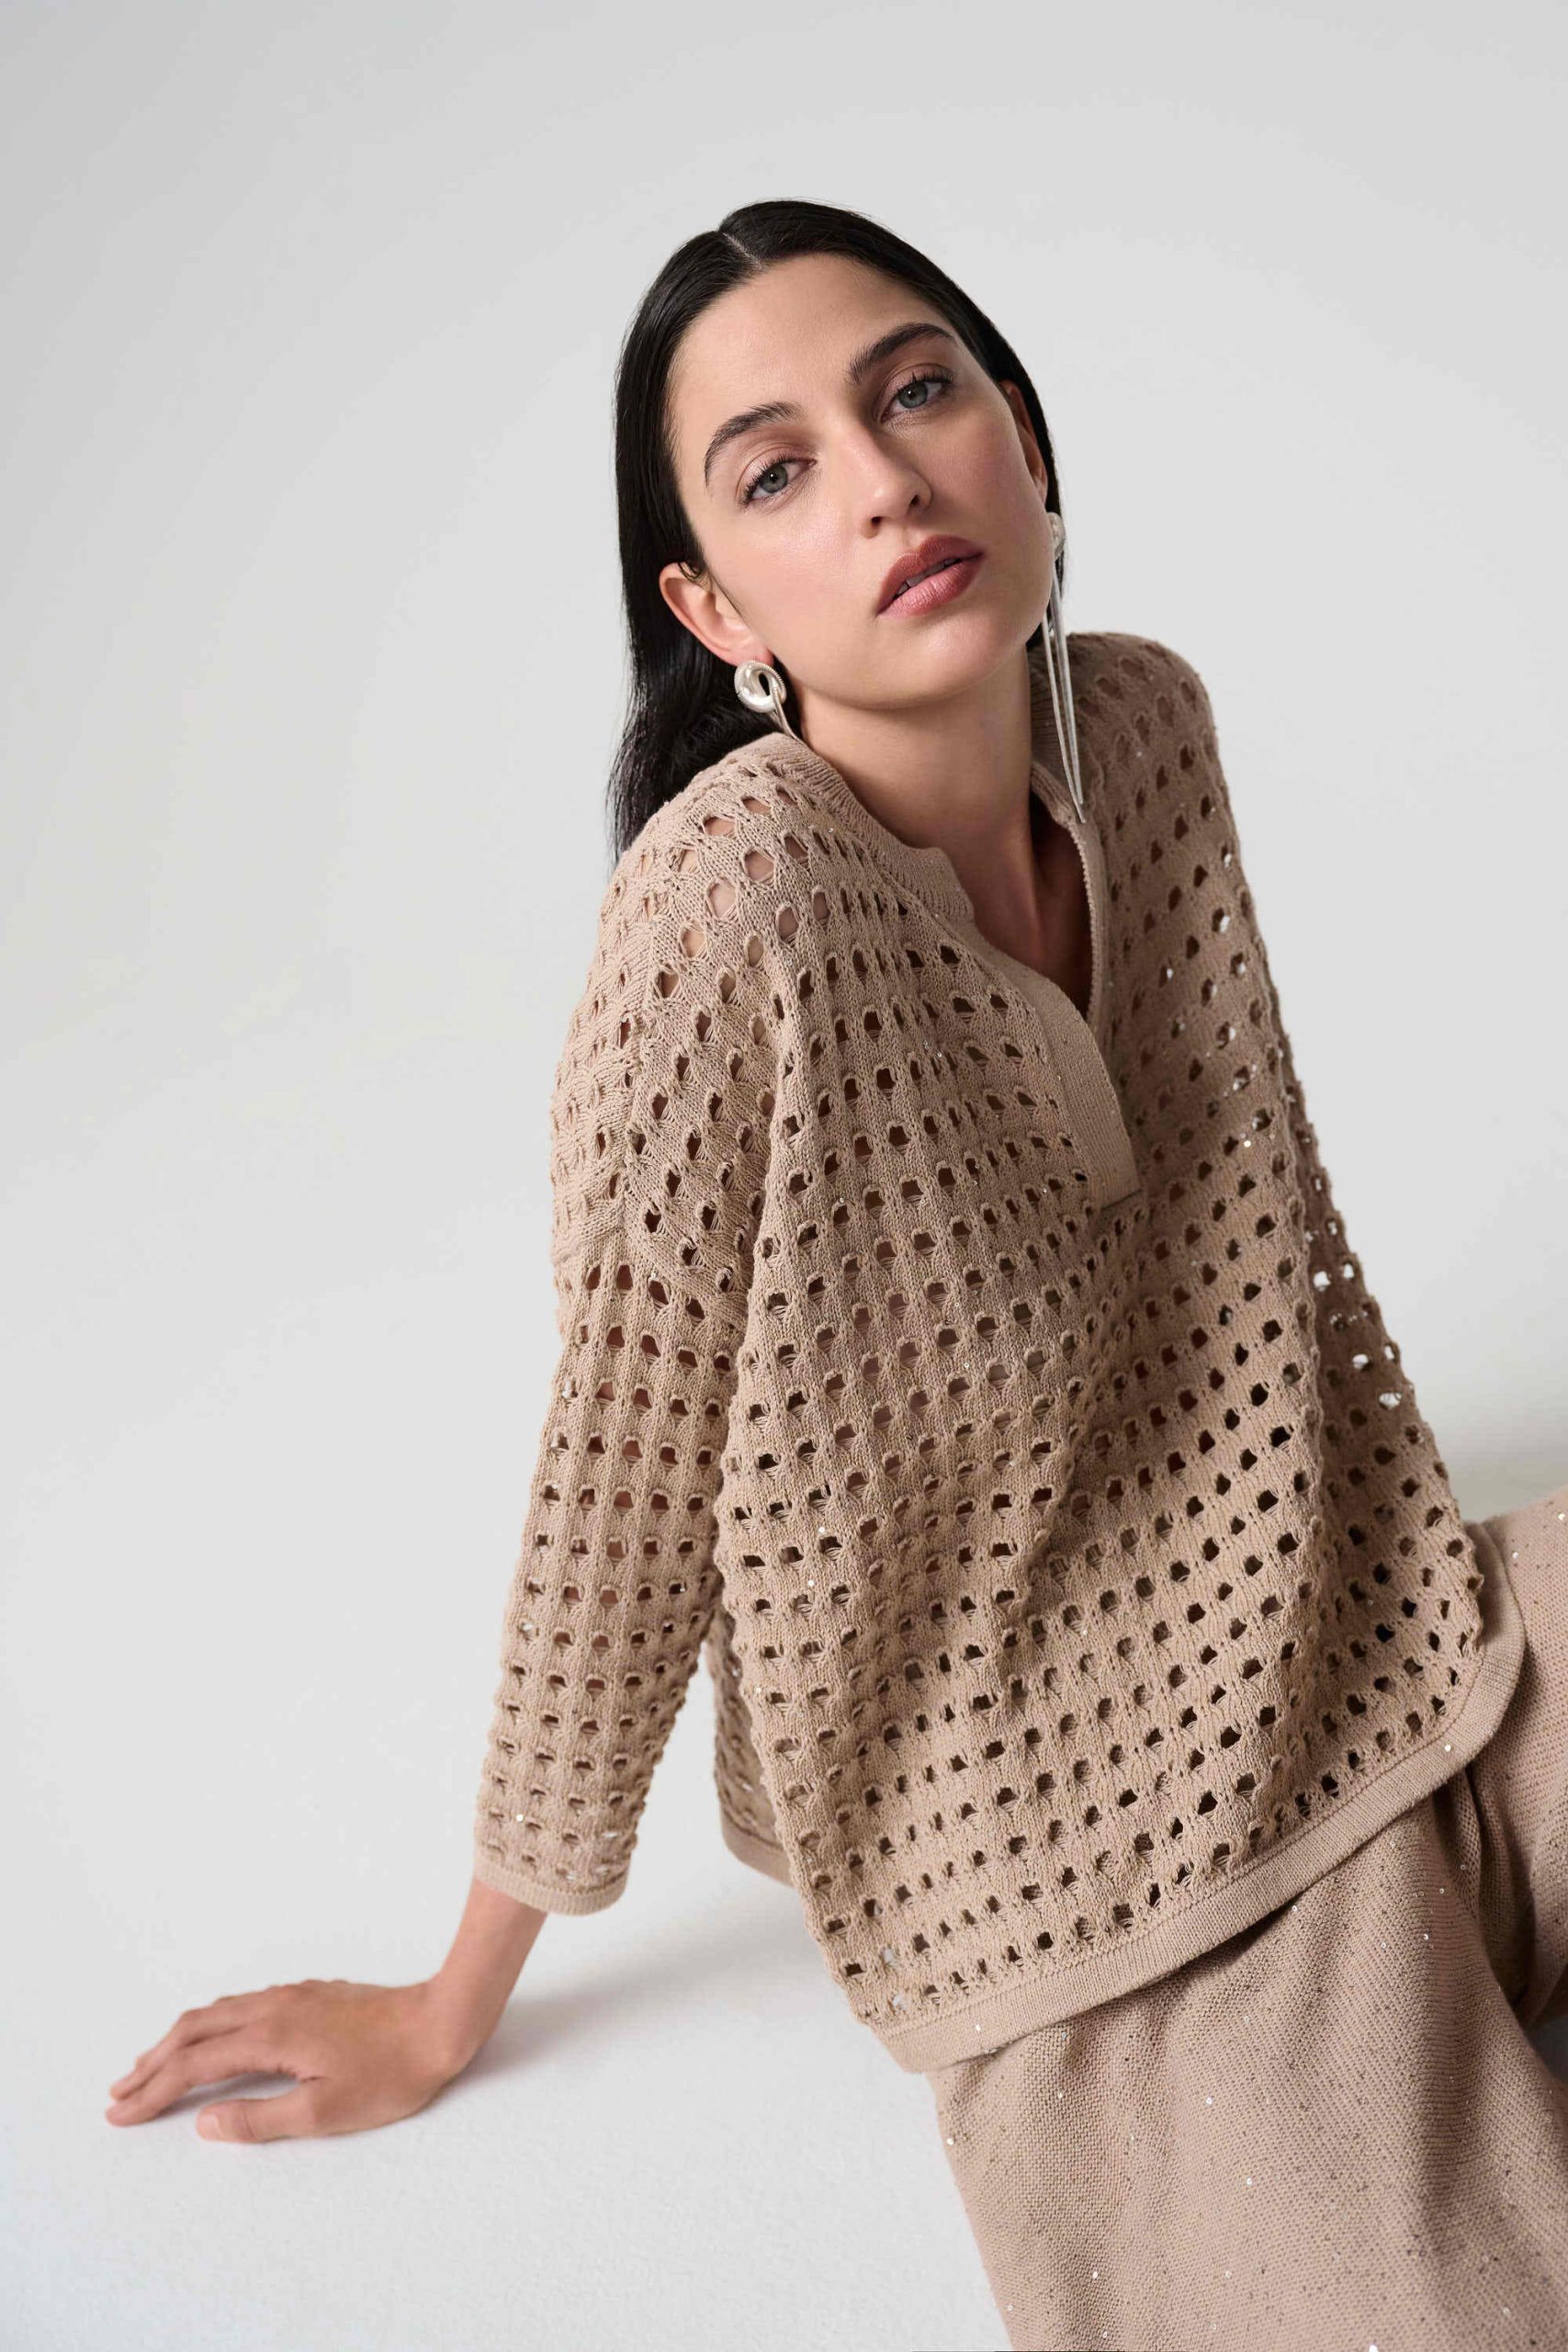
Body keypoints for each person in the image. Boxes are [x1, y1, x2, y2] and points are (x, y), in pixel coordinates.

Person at [103, 200, 1568, 2349]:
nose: (883, 480)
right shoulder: (734, 915)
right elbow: (619, 1497)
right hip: (1070, 1857)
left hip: (1390, 1642)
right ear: (712, 609)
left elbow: (1245, 1229)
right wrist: (445, 1999)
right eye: (776, 470)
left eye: (918, 392)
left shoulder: (1141, 728)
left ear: (1022, 444)